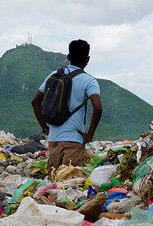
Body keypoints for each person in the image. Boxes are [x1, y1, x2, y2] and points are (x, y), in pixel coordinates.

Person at [32, 40, 102, 174]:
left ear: (68, 56)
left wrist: (45, 128)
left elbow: (35, 102)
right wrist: (90, 135)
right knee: (68, 185)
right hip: (74, 140)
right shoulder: (89, 81)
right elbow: (97, 107)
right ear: (87, 59)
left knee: (54, 184)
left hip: (54, 140)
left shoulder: (53, 75)